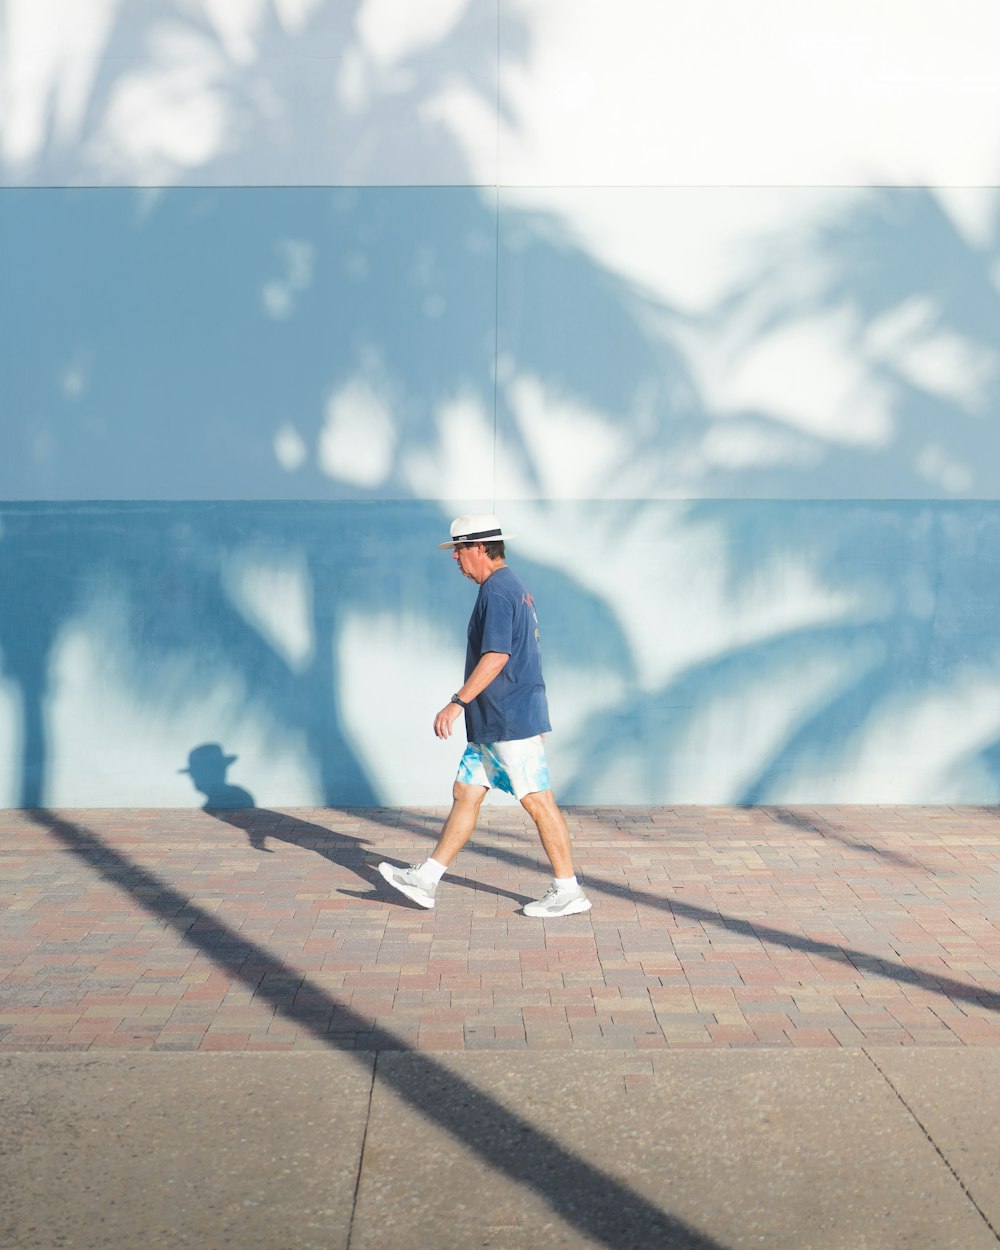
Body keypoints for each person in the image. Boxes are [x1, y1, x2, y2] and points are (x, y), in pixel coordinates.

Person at [378, 514, 591, 918]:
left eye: (458, 550)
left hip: (508, 719)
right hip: (499, 719)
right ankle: (426, 879)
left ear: (479, 549)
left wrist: (456, 702)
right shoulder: (512, 588)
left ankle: (568, 891)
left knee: (539, 802)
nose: (455, 559)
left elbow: (498, 656)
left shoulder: (497, 591)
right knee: (466, 792)